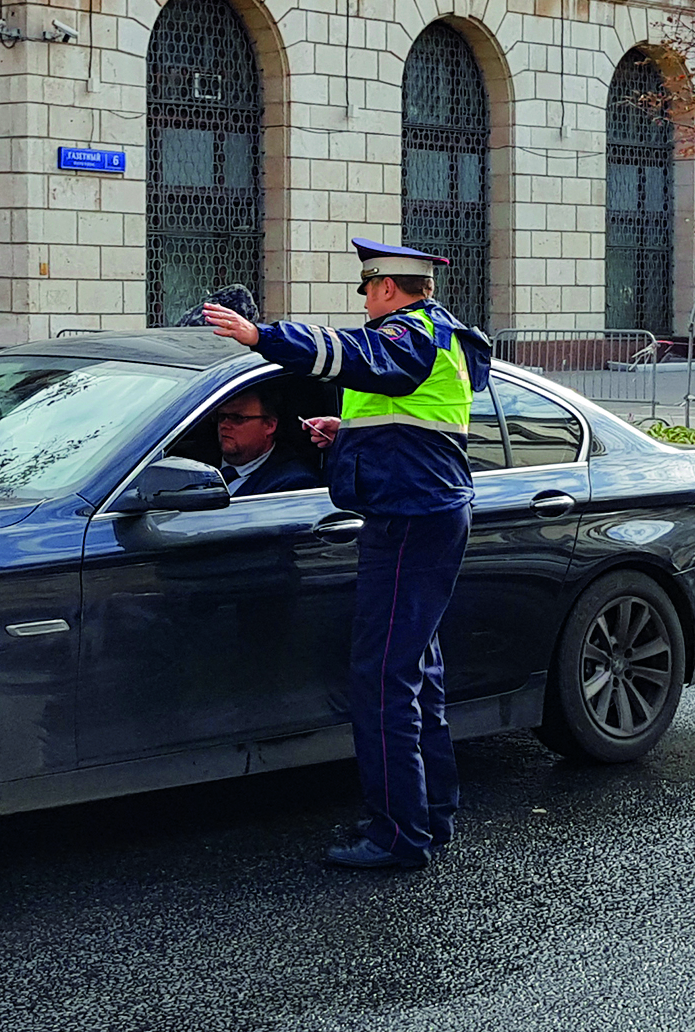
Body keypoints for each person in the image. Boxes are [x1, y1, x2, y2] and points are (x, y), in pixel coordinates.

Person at [202, 238, 492, 871]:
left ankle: (398, 835)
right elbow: (411, 418)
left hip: (411, 521)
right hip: (422, 513)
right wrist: (347, 433)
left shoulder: (412, 334)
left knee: (382, 679)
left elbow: (352, 357)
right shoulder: (435, 336)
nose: (364, 302)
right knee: (417, 675)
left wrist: (261, 336)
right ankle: (430, 816)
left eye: (367, 290)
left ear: (387, 287)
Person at [210, 389, 321, 496]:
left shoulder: (292, 482)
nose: (224, 425)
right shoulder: (199, 459)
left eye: (237, 418)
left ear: (269, 425)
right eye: (221, 417)